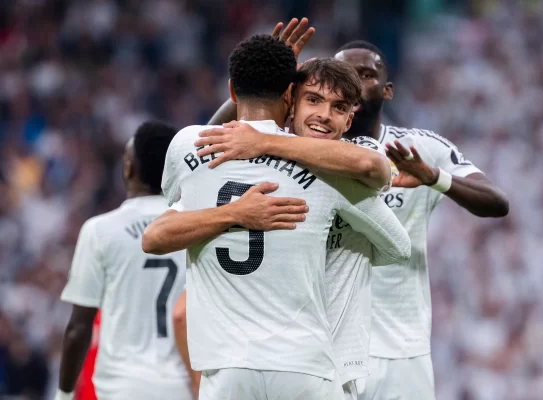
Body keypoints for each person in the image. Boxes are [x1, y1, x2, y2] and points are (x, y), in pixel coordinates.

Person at [143, 34, 411, 400]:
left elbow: (161, 224)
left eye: (336, 106)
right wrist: (334, 241)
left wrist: (233, 211)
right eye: (313, 99)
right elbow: (397, 244)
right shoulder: (332, 170)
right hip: (308, 364)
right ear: (291, 97)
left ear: (232, 91)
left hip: (226, 368)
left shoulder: (192, 146)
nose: (323, 114)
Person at [56, 121, 308, 400]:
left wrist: (64, 394)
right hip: (185, 383)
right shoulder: (199, 224)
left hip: (122, 385)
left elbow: (79, 327)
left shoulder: (100, 231)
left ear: (128, 168)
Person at [333, 41, 510, 400]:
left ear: (387, 90)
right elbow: (209, 140)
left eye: (365, 75)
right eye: (343, 76)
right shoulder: (303, 152)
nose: (353, 84)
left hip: (401, 352)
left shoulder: (418, 149)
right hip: (326, 350)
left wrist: (434, 178)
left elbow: (497, 202)